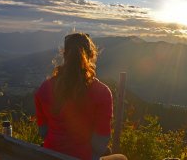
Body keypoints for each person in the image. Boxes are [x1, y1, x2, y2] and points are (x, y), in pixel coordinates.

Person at [34, 32, 127, 160]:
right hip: (84, 157)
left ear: (64, 54)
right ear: (91, 55)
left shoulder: (44, 89)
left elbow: (43, 131)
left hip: (50, 155)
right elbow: (100, 143)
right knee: (121, 158)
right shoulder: (102, 93)